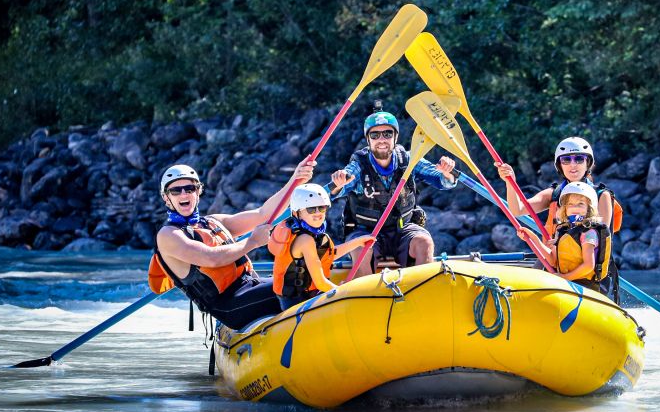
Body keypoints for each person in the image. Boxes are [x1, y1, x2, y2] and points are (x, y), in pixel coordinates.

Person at [147, 158, 315, 330]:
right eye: (176, 191)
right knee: (298, 284)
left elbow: (263, 214)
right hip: (229, 306)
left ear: (198, 192)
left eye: (189, 188)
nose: (184, 194)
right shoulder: (168, 235)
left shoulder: (213, 222)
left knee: (309, 273)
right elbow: (211, 258)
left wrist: (295, 181)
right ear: (166, 198)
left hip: (251, 286)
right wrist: (253, 242)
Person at [330, 108, 458, 277]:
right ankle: (368, 298)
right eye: (375, 135)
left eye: (387, 134)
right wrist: (339, 183)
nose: (381, 139)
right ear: (368, 139)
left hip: (402, 228)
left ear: (395, 137)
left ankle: (419, 295)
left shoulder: (410, 160)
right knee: (360, 249)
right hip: (365, 230)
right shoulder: (358, 164)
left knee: (424, 242)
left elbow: (442, 181)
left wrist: (447, 172)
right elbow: (339, 188)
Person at [268, 183, 375, 311]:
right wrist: (343, 292)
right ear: (297, 213)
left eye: (322, 208)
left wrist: (358, 242)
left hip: (308, 293)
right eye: (311, 209)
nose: (318, 213)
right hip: (296, 300)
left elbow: (330, 254)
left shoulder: (315, 235)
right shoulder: (305, 240)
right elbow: (320, 282)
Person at [496, 136, 617, 239]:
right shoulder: (554, 194)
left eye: (579, 159)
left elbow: (601, 237)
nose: (573, 165)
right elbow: (517, 210)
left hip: (589, 262)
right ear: (560, 165)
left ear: (587, 163)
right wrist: (510, 182)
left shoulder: (601, 195)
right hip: (556, 259)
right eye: (566, 160)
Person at [516, 182, 613, 293]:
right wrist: (534, 239)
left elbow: (588, 266)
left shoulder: (589, 233)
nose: (575, 207)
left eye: (580, 204)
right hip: (566, 283)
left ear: (589, 209)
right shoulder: (562, 231)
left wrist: (565, 277)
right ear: (565, 209)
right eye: (570, 204)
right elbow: (553, 260)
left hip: (585, 287)